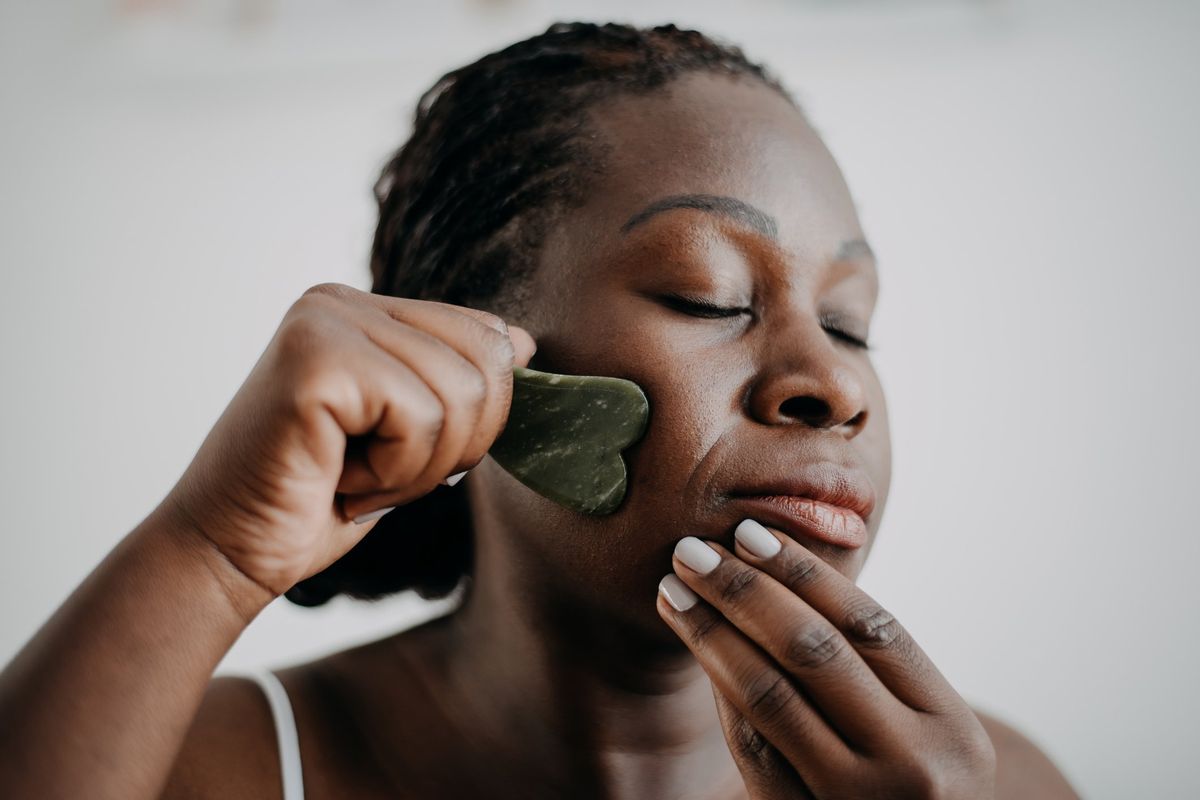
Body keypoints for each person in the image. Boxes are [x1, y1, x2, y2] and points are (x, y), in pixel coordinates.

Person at [0, 21, 1080, 800]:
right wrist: (210, 546)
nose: (834, 384)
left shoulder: (1002, 784)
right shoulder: (200, 766)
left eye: (849, 322)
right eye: (708, 293)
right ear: (465, 363)